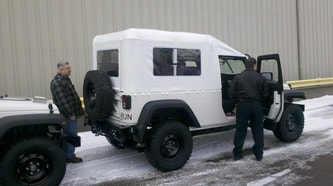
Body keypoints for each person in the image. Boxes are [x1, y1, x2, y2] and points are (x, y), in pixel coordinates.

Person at [228, 57, 269, 161]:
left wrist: (237, 101)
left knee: (240, 130)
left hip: (242, 106)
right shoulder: (261, 78)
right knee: (258, 130)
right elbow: (265, 95)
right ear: (254, 65)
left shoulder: (238, 77)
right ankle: (259, 154)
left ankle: (237, 153)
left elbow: (230, 93)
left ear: (245, 66)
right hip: (256, 106)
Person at [51, 61, 84, 163]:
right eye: (67, 68)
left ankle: (67, 154)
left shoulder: (65, 80)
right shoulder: (58, 82)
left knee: (69, 134)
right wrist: (71, 114)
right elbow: (62, 100)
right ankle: (69, 156)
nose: (70, 70)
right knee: (71, 135)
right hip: (67, 115)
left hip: (70, 113)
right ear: (61, 70)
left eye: (70, 68)